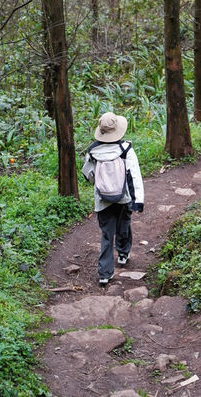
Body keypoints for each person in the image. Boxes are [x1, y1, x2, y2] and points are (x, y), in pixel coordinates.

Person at [81, 111, 144, 287]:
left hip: (103, 200)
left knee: (106, 235)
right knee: (123, 225)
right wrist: (137, 200)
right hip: (123, 197)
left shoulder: (93, 151)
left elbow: (89, 175)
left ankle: (104, 273)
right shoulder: (125, 149)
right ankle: (123, 254)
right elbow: (134, 175)